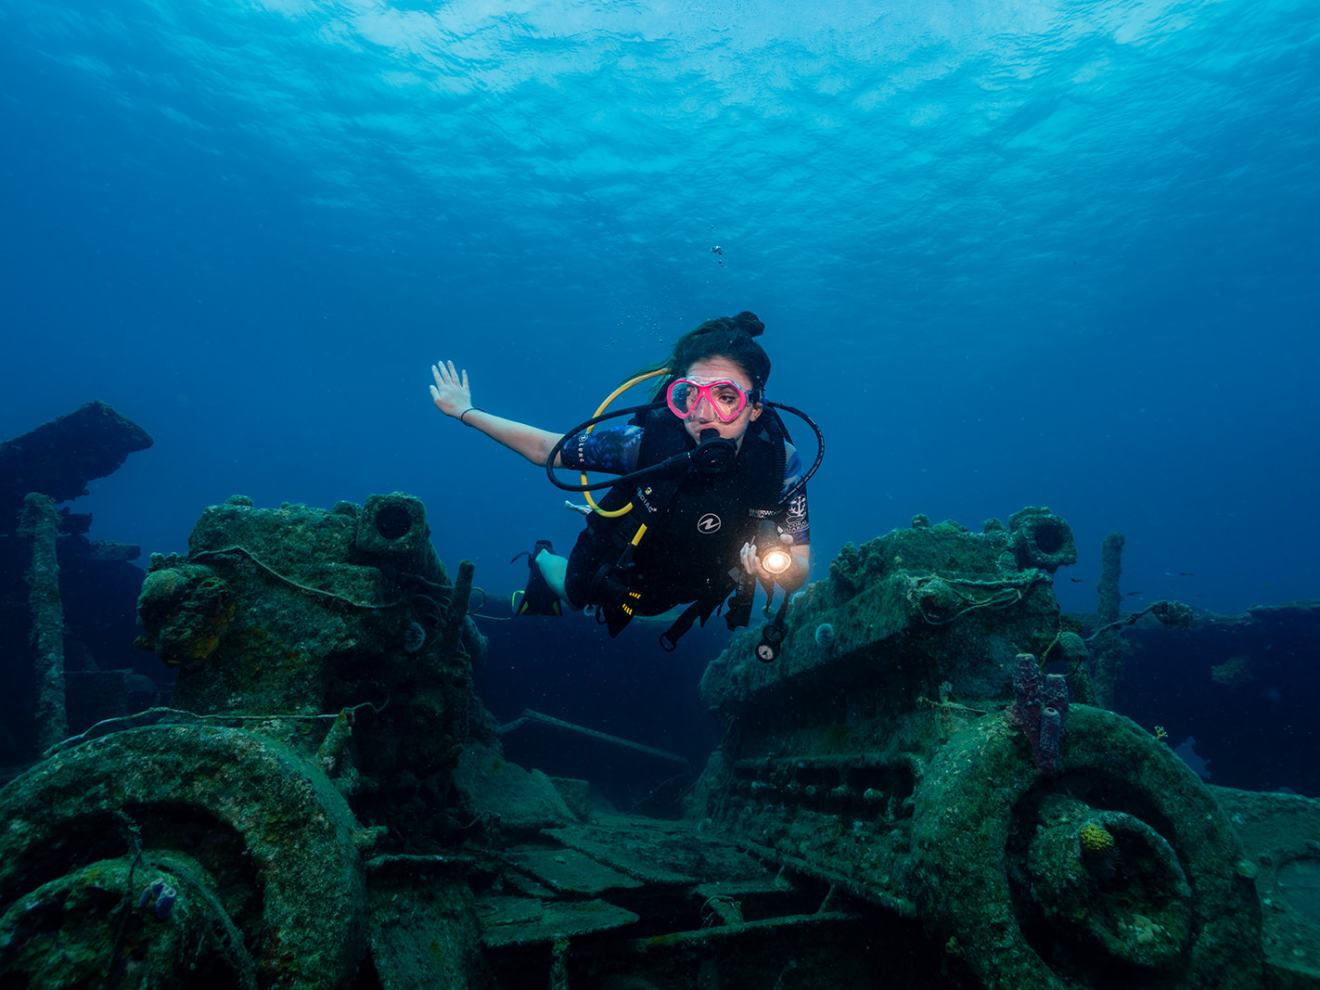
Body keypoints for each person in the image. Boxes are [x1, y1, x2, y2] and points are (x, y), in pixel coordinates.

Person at [430, 311, 812, 648]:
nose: (703, 414)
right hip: (617, 560)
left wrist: (774, 568)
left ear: (756, 407)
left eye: (726, 397)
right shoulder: (643, 444)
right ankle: (543, 557)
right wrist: (465, 411)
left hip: (694, 578)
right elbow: (548, 449)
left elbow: (797, 568)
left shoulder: (781, 464)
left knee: (652, 607)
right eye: (689, 396)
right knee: (574, 596)